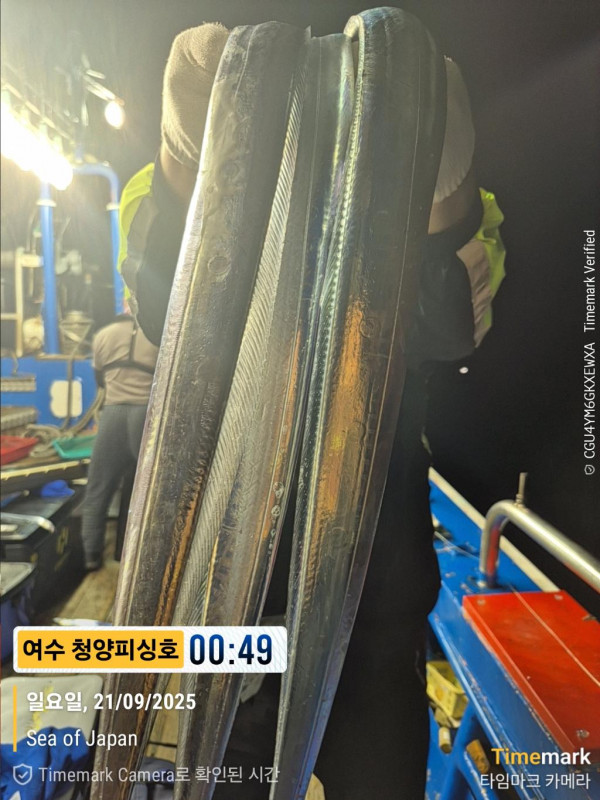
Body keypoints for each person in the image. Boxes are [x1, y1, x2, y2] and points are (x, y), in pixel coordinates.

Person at [119, 24, 505, 798]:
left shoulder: (413, 200)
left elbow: (451, 323)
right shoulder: (182, 189)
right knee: (228, 772)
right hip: (232, 607)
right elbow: (165, 309)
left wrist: (448, 208)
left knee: (376, 771)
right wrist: (185, 163)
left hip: (374, 601)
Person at [80, 313, 158, 570]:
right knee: (150, 490)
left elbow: (100, 380)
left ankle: (91, 556)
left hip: (112, 415)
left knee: (97, 489)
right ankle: (143, 559)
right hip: (145, 415)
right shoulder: (157, 335)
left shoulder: (102, 336)